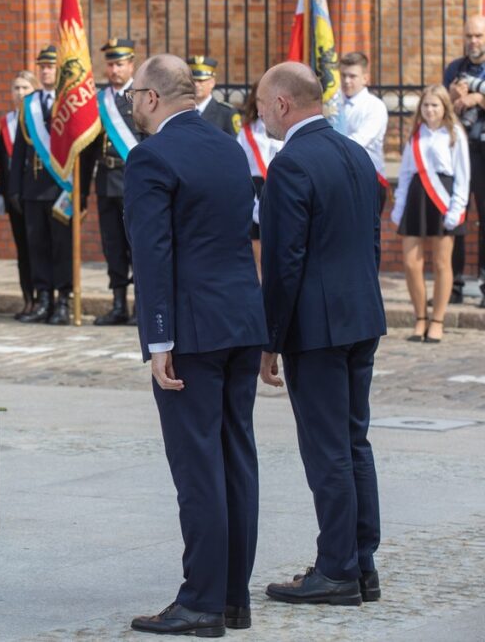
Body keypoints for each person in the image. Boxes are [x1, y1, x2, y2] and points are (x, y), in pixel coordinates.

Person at [123, 55, 266, 638]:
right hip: (241, 321)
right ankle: (233, 599)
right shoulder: (228, 146)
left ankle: (202, 602)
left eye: (133, 94)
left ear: (153, 97)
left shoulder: (151, 155)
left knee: (198, 467)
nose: (131, 103)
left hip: (191, 330)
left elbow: (152, 253)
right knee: (237, 458)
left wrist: (159, 338)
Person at [257, 62, 387, 607]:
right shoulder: (356, 154)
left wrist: (270, 338)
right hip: (361, 315)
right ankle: (361, 563)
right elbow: (372, 241)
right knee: (354, 442)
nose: (260, 115)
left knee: (328, 448)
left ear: (283, 104)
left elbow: (283, 262)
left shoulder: (291, 164)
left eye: (261, 104)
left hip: (317, 328)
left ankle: (336, 569)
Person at [391, 85, 470, 343]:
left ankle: (437, 320)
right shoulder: (416, 135)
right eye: (425, 105)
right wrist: (399, 205)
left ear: (445, 107)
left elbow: (463, 176)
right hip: (417, 198)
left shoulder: (454, 133)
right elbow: (404, 174)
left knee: (441, 263)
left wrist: (457, 208)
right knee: (411, 262)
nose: (430, 110)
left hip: (443, 198)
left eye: (435, 105)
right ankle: (420, 318)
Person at [80, 38, 145, 326]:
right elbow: (87, 151)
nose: (114, 70)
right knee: (113, 246)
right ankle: (118, 304)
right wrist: (81, 193)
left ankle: (141, 306)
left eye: (119, 64)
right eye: (110, 64)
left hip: (134, 183)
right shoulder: (98, 101)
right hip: (106, 182)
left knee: (138, 247)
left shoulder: (141, 97)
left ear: (131, 64)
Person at [10, 45, 73, 325]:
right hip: (33, 187)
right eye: (43, 67)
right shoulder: (30, 104)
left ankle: (63, 300)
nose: (46, 71)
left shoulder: (71, 101)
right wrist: (14, 188)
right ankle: (44, 299)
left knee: (62, 247)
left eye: (51, 67)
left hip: (62, 188)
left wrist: (79, 191)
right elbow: (19, 150)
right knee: (37, 247)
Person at [444, 14, 485, 307]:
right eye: (469, 36)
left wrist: (478, 99)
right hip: (459, 151)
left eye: (479, 36)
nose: (473, 41)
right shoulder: (454, 69)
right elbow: (436, 109)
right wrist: (450, 97)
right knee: (456, 217)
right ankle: (454, 286)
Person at [0, 71, 40, 319]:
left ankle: (44, 298)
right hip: (15, 194)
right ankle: (28, 299)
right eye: (17, 88)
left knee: (38, 247)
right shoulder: (7, 122)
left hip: (36, 191)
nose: (20, 93)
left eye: (25, 88)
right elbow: (1, 160)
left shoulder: (40, 118)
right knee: (23, 250)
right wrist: (2, 192)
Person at [236, 82, 282, 275]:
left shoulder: (284, 127)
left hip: (281, 195)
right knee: (259, 258)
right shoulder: (247, 131)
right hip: (256, 195)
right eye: (260, 100)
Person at [335, 52, 389, 214]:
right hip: (338, 178)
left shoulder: (375, 106)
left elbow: (359, 142)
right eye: (343, 75)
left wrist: (328, 148)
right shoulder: (332, 104)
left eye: (352, 76)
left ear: (365, 78)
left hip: (366, 178)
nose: (346, 81)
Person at [187, 55, 240, 136]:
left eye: (201, 80)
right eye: (193, 80)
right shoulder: (181, 110)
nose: (196, 84)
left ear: (212, 82)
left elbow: (233, 141)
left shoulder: (226, 113)